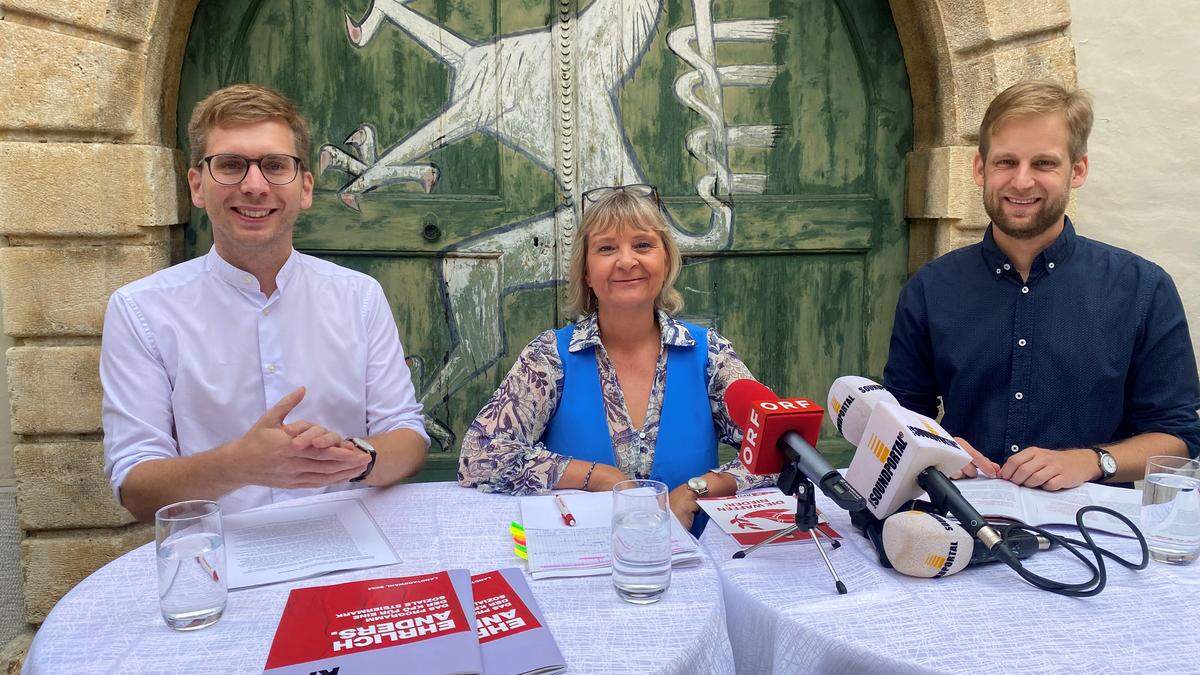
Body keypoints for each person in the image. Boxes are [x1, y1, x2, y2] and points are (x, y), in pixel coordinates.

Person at [101, 84, 429, 521]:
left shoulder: (359, 296)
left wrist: (358, 457)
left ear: (305, 188)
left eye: (276, 165)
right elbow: (135, 487)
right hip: (223, 553)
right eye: (231, 165)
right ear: (197, 186)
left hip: (348, 542)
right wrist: (240, 464)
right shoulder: (140, 310)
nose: (254, 186)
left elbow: (408, 436)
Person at [884, 80, 1200, 491]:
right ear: (980, 168)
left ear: (1078, 169)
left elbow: (1179, 438)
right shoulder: (929, 289)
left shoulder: (1144, 289)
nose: (1022, 181)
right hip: (964, 521)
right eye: (1006, 162)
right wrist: (934, 448)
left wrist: (1092, 460)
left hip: (1093, 535)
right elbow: (899, 419)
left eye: (1044, 164)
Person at [457, 185, 773, 531]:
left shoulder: (708, 354)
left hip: (695, 558)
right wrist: (596, 477)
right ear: (587, 274)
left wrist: (697, 491)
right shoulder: (549, 358)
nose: (626, 261)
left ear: (665, 261)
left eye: (643, 245)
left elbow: (774, 452)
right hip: (580, 560)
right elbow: (479, 455)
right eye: (607, 248)